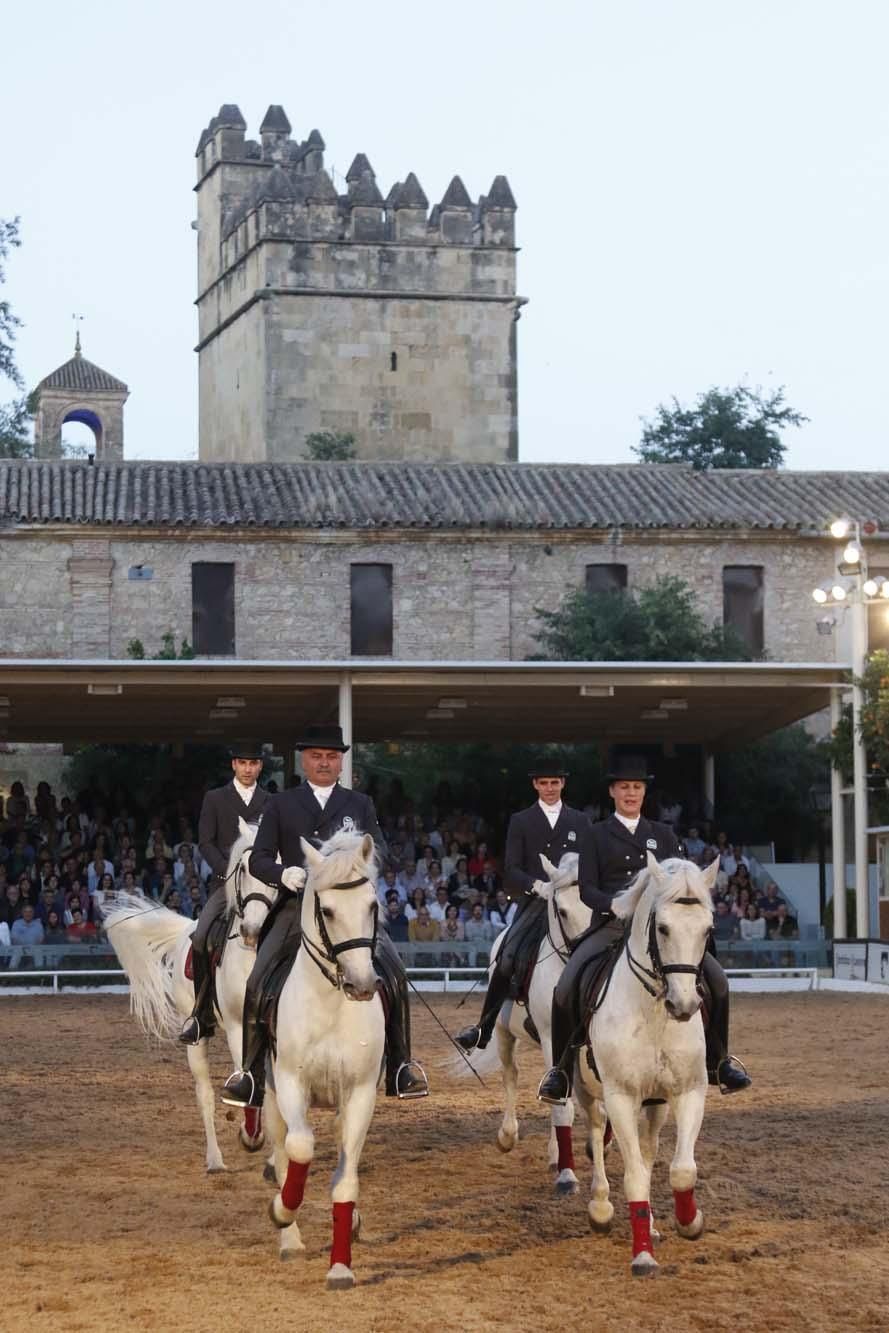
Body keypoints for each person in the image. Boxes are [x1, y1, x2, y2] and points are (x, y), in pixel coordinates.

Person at [221, 723, 428, 1109]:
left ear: (341, 761)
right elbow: (259, 858)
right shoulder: (280, 804)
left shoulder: (359, 804)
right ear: (304, 760)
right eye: (317, 756)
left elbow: (377, 850)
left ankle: (401, 1065)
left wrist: (357, 866)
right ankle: (251, 1072)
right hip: (295, 906)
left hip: (347, 911)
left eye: (332, 757)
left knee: (395, 974)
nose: (324, 763)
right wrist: (284, 873)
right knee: (258, 979)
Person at [537, 755, 751, 1104]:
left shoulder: (663, 834)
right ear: (613, 792)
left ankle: (719, 1061)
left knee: (718, 981)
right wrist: (615, 905)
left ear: (644, 792)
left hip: (660, 929)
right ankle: (560, 1072)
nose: (631, 793)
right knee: (566, 984)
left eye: (636, 787)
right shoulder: (595, 834)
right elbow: (587, 888)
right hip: (611, 924)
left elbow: (680, 880)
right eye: (624, 788)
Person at [456, 759, 589, 1053]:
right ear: (535, 785)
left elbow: (591, 863)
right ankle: (485, 1027)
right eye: (544, 783)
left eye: (555, 782)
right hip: (536, 901)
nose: (550, 788)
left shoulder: (580, 821)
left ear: (563, 784)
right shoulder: (522, 820)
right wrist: (537, 885)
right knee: (508, 952)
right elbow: (512, 867)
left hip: (574, 900)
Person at [178, 743, 269, 1045]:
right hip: (226, 885)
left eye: (253, 763)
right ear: (234, 765)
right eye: (242, 762)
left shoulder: (272, 801)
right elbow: (205, 843)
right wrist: (227, 872)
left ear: (260, 767)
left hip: (265, 886)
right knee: (202, 936)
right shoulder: (215, 799)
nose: (247, 768)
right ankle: (202, 1014)